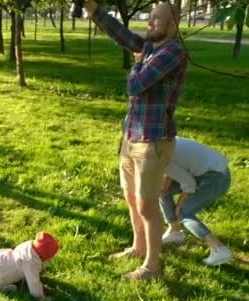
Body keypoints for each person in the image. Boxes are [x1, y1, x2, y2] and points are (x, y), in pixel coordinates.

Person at [83, 0, 188, 281]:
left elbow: (136, 85)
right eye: (150, 16)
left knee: (147, 205)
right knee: (131, 197)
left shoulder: (173, 52)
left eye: (157, 18)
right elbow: (124, 35)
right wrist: (96, 12)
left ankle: (152, 267)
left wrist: (136, 65)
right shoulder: (151, 46)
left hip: (153, 141)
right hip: (132, 136)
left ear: (173, 25)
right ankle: (138, 246)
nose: (150, 22)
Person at [160, 137, 233, 266]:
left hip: (217, 177)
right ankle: (174, 231)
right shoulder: (162, 144)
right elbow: (180, 162)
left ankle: (219, 249)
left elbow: (189, 183)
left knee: (184, 212)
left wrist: (180, 205)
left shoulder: (159, 157)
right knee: (162, 191)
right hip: (203, 172)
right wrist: (168, 178)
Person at [0, 232, 58, 301]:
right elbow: (34, 283)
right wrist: (42, 297)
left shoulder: (28, 245)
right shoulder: (30, 264)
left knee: (12, 261)